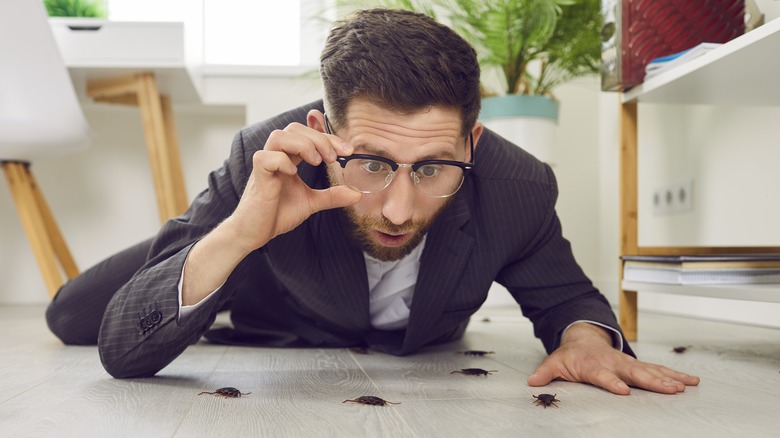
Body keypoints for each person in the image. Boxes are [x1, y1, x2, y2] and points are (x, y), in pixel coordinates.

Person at [46, 8, 699, 395]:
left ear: (473, 141)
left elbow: (566, 298)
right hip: (266, 313)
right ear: (324, 134)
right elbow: (120, 350)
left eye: (436, 167)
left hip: (402, 338)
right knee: (71, 313)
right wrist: (240, 233)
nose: (397, 209)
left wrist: (585, 338)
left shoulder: (517, 186)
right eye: (374, 164)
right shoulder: (267, 157)